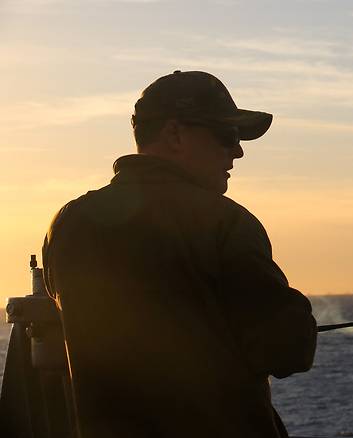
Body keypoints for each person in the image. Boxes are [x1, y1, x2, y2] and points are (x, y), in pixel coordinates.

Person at [42, 70, 317, 438]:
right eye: (226, 135)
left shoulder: (67, 224)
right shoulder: (225, 222)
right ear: (174, 134)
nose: (237, 150)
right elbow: (286, 351)